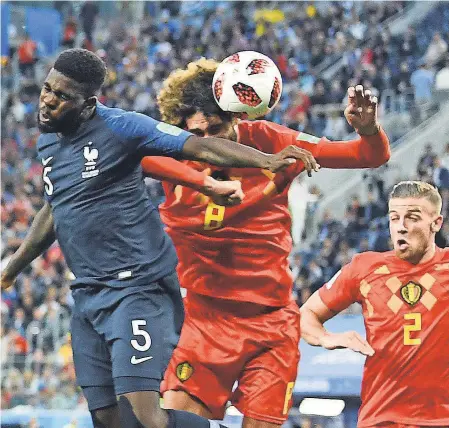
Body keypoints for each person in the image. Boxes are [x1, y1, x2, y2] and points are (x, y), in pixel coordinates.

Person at [0, 49, 319, 428]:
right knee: (106, 417)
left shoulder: (123, 127)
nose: (48, 100)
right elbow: (54, 210)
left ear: (88, 105)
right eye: (48, 90)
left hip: (136, 288)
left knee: (145, 417)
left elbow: (197, 145)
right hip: (88, 294)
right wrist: (11, 269)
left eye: (62, 96)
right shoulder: (48, 144)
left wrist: (264, 160)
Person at [138, 58, 391, 427]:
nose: (208, 140)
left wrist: (368, 130)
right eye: (198, 133)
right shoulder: (170, 150)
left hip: (271, 324)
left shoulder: (275, 143)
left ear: (237, 115)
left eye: (217, 127)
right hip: (203, 319)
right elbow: (126, 157)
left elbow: (370, 155)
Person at [300, 181, 449, 427]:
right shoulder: (364, 268)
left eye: (412, 218)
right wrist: (327, 338)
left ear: (436, 223)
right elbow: (307, 315)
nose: (401, 227)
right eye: (394, 218)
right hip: (381, 418)